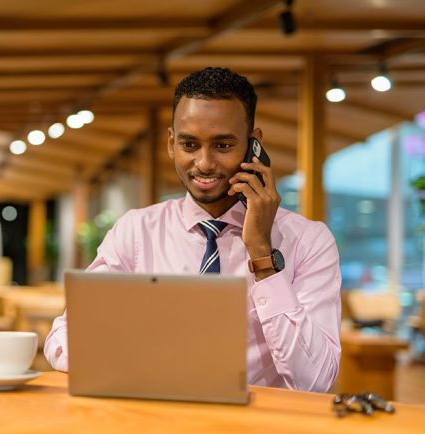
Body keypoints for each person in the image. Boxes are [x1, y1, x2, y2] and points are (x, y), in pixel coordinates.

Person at [44, 67, 341, 393]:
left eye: (223, 145)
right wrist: (130, 366)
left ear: (253, 145)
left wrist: (261, 253)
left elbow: (315, 381)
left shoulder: (309, 240)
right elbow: (65, 335)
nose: (204, 163)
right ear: (172, 143)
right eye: (189, 144)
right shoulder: (137, 230)